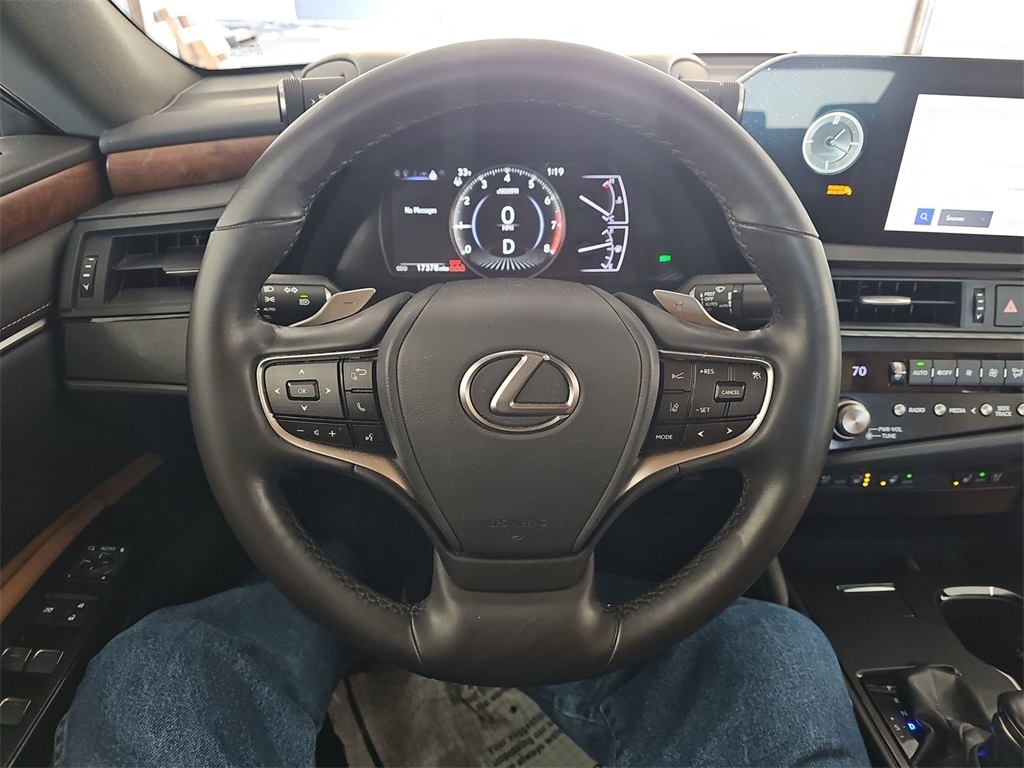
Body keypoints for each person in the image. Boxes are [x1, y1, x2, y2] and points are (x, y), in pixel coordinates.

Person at [53, 539, 869, 767]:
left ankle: (345, 571)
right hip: (595, 575)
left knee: (164, 667)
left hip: (341, 551)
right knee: (775, 648)